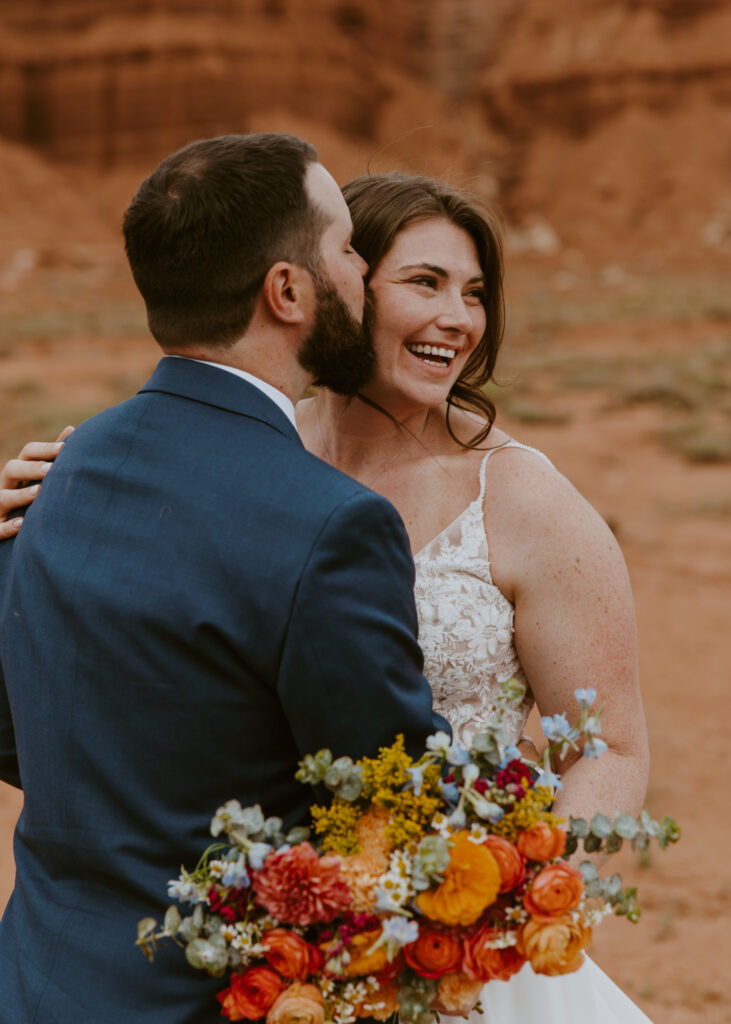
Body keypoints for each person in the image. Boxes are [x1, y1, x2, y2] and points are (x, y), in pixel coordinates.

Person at [1, 170, 652, 1021]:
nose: (458, 318)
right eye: (422, 282)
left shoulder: (527, 503)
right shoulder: (220, 461)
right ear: (326, 290)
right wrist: (33, 531)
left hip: (445, 951)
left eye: (475, 292)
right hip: (244, 949)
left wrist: (507, 905)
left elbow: (609, 749)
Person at [0, 135, 447, 1023]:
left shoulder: (52, 474)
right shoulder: (332, 525)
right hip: (223, 998)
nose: (363, 270)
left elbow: (16, 728)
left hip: (37, 983)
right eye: (348, 248)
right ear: (287, 291)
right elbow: (396, 805)